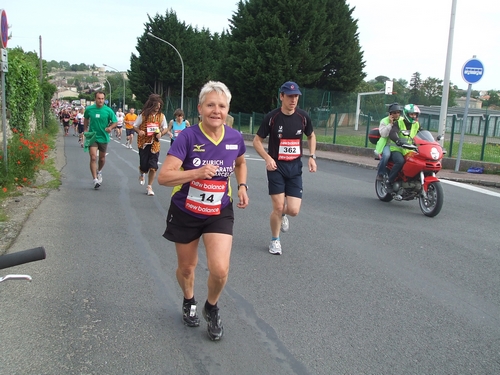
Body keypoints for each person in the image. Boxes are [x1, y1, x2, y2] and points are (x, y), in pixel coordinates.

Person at [157, 81, 249, 341]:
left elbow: (240, 163)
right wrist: (195, 173)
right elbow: (164, 177)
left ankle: (211, 306)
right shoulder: (187, 137)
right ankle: (189, 300)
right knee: (187, 268)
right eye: (210, 105)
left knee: (220, 269)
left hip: (219, 210)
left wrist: (242, 185)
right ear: (200, 109)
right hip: (186, 210)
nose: (216, 110)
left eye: (221, 106)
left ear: (227, 109)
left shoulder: (235, 137)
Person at [253, 81, 317, 255]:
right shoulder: (272, 118)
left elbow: (311, 136)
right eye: (290, 96)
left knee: (294, 210)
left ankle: (282, 215)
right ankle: (275, 241)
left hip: (295, 167)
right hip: (276, 167)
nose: (293, 99)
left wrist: (312, 156)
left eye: (296, 96)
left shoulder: (303, 117)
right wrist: (267, 158)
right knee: (278, 206)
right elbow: (256, 141)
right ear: (281, 96)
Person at [132, 94, 168, 196]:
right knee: (144, 165)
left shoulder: (161, 116)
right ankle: (142, 171)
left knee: (153, 166)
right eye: (156, 106)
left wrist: (161, 133)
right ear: (151, 105)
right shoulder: (143, 115)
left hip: (155, 143)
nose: (158, 108)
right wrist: (139, 131)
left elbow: (165, 128)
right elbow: (134, 126)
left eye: (159, 106)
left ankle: (149, 186)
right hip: (143, 143)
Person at [83, 91, 118, 189]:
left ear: (104, 99)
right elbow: (86, 118)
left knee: (102, 159)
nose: (100, 100)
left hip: (103, 137)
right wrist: (85, 129)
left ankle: (99, 171)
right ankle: (95, 180)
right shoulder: (89, 109)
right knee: (93, 157)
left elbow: (115, 122)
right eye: (99, 98)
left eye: (102, 99)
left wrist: (110, 128)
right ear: (95, 99)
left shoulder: (108, 110)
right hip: (93, 136)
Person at [385, 104, 422, 191]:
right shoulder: (399, 123)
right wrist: (397, 140)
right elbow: (393, 132)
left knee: (419, 162)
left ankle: (412, 180)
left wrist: (432, 141)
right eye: (411, 114)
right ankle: (389, 182)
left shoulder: (416, 124)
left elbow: (423, 133)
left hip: (410, 150)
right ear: (406, 114)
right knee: (400, 161)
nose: (414, 116)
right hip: (397, 149)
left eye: (415, 114)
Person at [375, 103, 402, 181]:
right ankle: (380, 173)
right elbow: (383, 134)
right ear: (390, 114)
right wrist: (390, 124)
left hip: (399, 145)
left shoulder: (402, 120)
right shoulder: (384, 121)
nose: (397, 114)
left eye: (398, 112)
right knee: (386, 155)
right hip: (388, 144)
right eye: (394, 113)